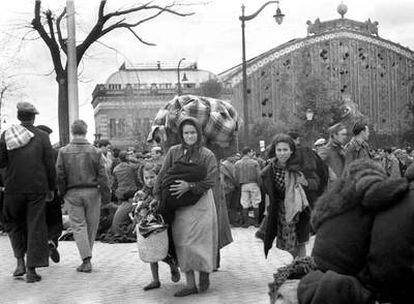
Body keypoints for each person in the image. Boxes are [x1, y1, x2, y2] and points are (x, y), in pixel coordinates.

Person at [154, 117, 218, 297]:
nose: (190, 136)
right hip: (179, 207)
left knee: (201, 242)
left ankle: (204, 272)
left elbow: (211, 180)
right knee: (183, 242)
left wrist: (189, 186)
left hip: (201, 204)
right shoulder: (174, 152)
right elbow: (162, 175)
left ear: (198, 134)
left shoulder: (207, 155)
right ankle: (190, 284)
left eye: (193, 132)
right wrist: (157, 196)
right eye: (186, 133)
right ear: (181, 135)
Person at [0, 102, 56, 283]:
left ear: (18, 117)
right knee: (35, 226)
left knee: (13, 223)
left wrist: (4, 183)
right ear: (33, 117)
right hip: (36, 189)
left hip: (13, 188)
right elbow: (49, 165)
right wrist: (52, 188)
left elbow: (1, 163)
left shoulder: (7, 135)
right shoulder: (41, 137)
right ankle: (31, 271)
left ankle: (19, 263)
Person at [56, 120, 110, 273]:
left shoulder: (63, 152)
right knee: (92, 226)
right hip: (93, 192)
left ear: (73, 132)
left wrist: (62, 192)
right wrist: (106, 196)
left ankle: (86, 259)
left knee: (78, 226)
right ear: (86, 132)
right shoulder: (96, 152)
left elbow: (59, 175)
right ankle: (87, 257)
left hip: (72, 192)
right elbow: (103, 176)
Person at [262, 134, 316, 258]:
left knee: (300, 241)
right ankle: (298, 264)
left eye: (285, 150)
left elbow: (316, 182)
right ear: (274, 151)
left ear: (291, 150)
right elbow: (267, 191)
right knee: (288, 243)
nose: (282, 153)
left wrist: (305, 182)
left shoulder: (301, 166)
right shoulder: (269, 170)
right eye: (279, 150)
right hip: (282, 210)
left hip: (301, 208)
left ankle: (300, 265)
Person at [134, 162, 180, 291]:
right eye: (146, 178)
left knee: (164, 249)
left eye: (152, 177)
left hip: (162, 224)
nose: (149, 181)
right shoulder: (143, 191)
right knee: (150, 251)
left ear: (158, 176)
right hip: (149, 226)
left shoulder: (162, 190)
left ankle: (172, 265)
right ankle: (155, 280)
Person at [36, 124, 63, 263]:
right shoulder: (55, 153)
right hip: (53, 191)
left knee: (40, 221)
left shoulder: (32, 153)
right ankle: (52, 241)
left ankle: (44, 244)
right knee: (56, 221)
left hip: (36, 193)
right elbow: (59, 172)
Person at [234, 146, 262, 227]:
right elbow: (258, 175)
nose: (252, 153)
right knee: (256, 203)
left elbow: (235, 176)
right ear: (249, 152)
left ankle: (246, 223)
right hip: (254, 184)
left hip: (243, 185)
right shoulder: (254, 163)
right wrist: (259, 184)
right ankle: (256, 223)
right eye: (251, 152)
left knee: (244, 203)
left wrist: (238, 185)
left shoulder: (237, 163)